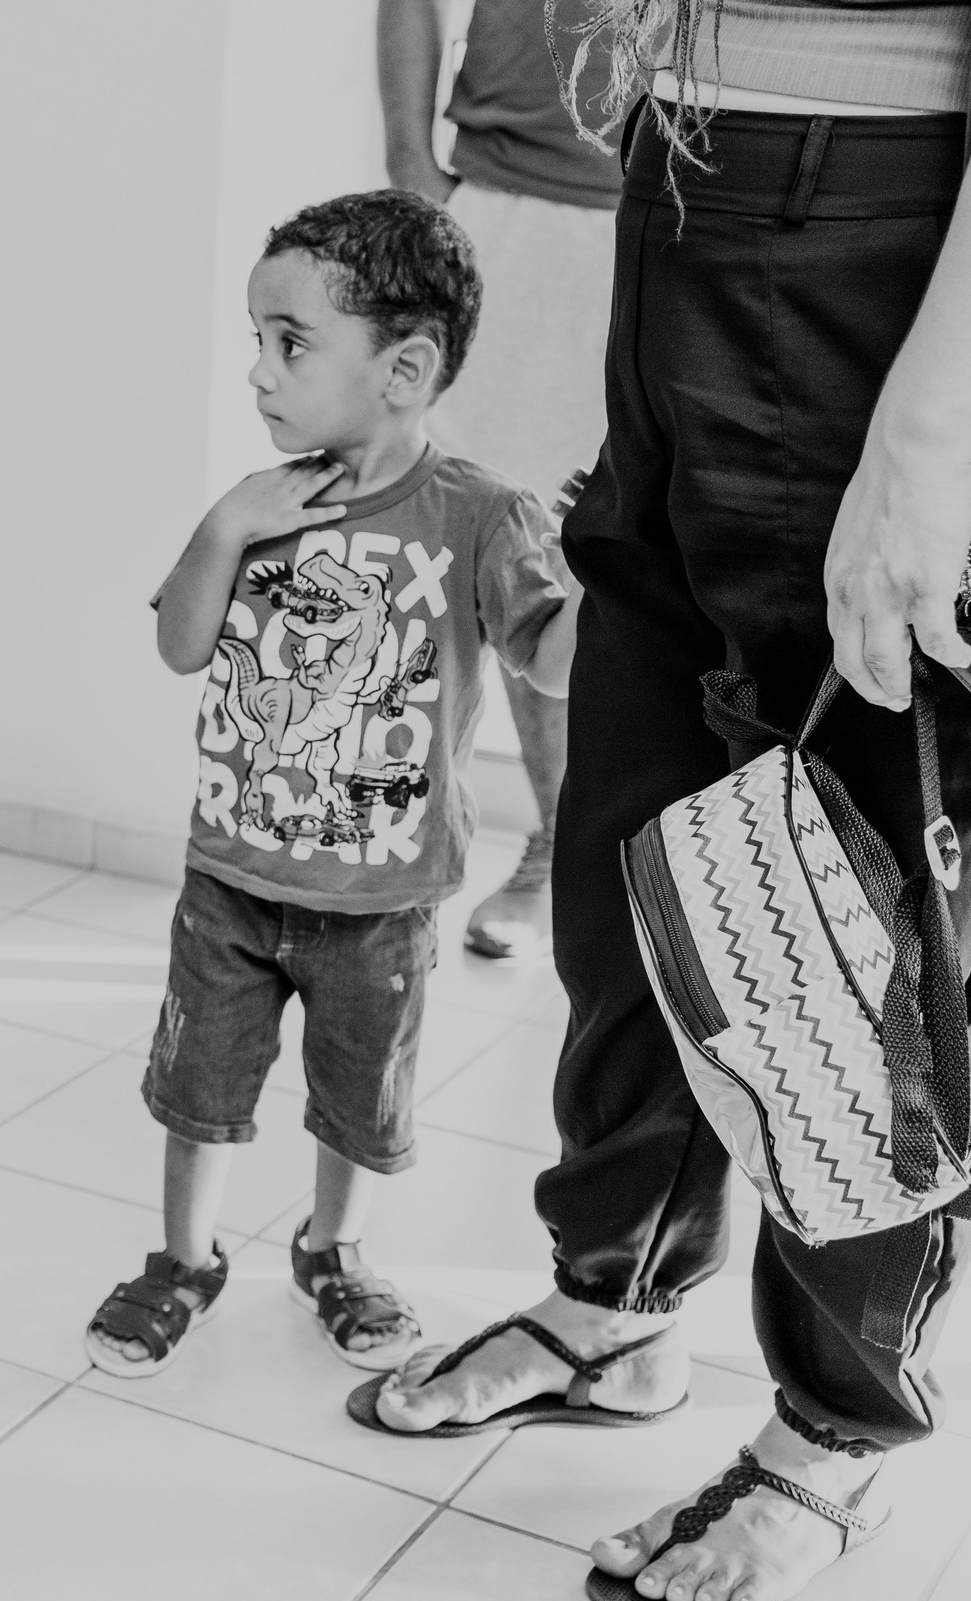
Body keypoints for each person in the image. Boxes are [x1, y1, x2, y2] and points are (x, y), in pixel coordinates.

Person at [360, 2, 971, 1601]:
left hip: (892, 209)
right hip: (679, 180)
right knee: (638, 801)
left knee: (863, 885)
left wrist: (933, 429)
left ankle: (843, 1424)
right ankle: (615, 1297)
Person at [85, 190, 577, 1380]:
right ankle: (184, 1258)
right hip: (231, 878)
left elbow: (554, 663)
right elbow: (180, 645)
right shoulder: (264, 506)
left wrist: (598, 566)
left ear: (404, 369)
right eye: (256, 339)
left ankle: (334, 1249)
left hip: (381, 897)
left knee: (360, 1099)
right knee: (198, 1087)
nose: (258, 372)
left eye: (288, 342)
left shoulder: (478, 516)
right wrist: (222, 524)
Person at [378, 0, 621, 959]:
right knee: (524, 544)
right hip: (508, 195)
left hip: (690, 194)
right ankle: (559, 846)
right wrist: (411, 165)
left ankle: (650, 863)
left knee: (670, 533)